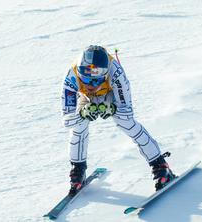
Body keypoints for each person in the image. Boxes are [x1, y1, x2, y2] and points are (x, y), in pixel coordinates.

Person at [61, 45, 175, 194]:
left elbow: (126, 112)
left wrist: (112, 107)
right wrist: (82, 113)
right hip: (85, 98)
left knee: (125, 122)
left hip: (110, 93)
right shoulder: (72, 75)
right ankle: (78, 169)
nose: (90, 84)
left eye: (96, 80)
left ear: (107, 72)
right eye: (85, 76)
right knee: (78, 125)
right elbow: (67, 119)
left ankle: (160, 165)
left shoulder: (116, 73)